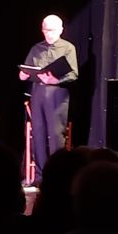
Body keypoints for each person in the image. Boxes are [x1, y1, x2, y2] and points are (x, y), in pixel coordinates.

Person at [19, 14, 78, 185]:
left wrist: (56, 80)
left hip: (57, 96)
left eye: (51, 30)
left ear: (60, 30)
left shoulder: (68, 48)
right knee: (38, 134)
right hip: (38, 95)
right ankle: (39, 176)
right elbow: (28, 70)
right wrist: (23, 75)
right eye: (45, 30)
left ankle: (57, 177)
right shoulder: (36, 48)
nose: (48, 33)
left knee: (55, 135)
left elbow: (74, 74)